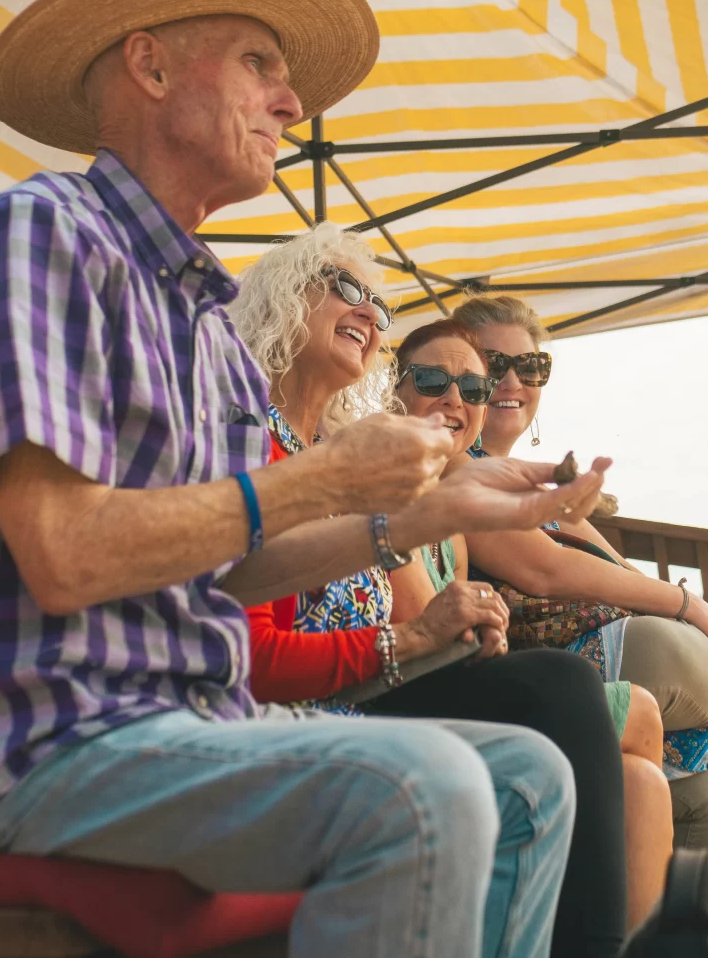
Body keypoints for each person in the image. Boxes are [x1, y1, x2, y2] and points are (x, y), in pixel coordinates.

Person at [0, 0, 606, 957]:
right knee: (424, 792)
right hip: (45, 736)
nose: (291, 103)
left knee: (529, 777)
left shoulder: (209, 326)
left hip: (192, 717)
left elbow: (234, 567)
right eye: (259, 62)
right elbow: (64, 553)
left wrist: (427, 515)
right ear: (151, 68)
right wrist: (326, 476)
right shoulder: (37, 231)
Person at [232, 222, 638, 954]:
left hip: (366, 685)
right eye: (346, 288)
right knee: (563, 690)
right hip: (315, 702)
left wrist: (446, 616)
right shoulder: (241, 439)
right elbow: (252, 646)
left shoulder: (342, 455)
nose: (369, 312)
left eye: (378, 305)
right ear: (284, 300)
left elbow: (407, 596)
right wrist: (416, 634)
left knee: (565, 703)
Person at [391, 316, 673, 932]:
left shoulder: (452, 498)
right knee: (601, 691)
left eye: (471, 387)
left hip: (455, 675)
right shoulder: (395, 488)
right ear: (395, 391)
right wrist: (685, 604)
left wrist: (481, 627)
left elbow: (464, 605)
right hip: (399, 691)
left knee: (642, 783)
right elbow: (418, 628)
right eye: (433, 379)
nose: (455, 399)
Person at [452, 293, 708, 851]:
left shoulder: (541, 491)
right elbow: (544, 569)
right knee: (677, 646)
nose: (514, 380)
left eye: (532, 365)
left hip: (618, 652)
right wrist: (690, 607)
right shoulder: (452, 466)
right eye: (496, 365)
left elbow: (619, 570)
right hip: (550, 665)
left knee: (702, 792)